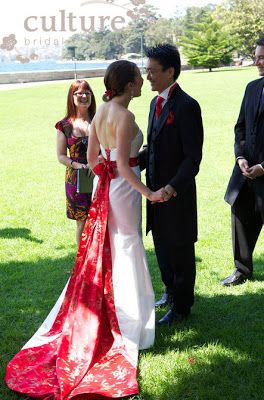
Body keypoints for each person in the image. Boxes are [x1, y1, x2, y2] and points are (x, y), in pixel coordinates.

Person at [5, 60, 165, 399]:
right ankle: (130, 324)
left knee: (114, 249)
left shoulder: (102, 112)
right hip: (123, 190)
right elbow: (123, 164)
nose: (142, 81)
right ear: (127, 85)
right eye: (138, 78)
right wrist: (149, 192)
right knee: (127, 248)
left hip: (104, 187)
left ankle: (121, 316)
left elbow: (94, 160)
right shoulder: (125, 117)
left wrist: (105, 175)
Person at [140, 44, 204, 326]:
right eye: (147, 70)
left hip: (176, 196)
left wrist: (171, 187)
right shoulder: (154, 103)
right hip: (153, 194)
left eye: (153, 71)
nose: (148, 76)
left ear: (170, 71)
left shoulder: (188, 106)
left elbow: (193, 158)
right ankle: (169, 291)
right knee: (162, 247)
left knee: (180, 251)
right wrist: (124, 165)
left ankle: (182, 307)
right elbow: (151, 147)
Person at [222, 38, 264, 286]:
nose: (257, 62)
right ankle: (242, 269)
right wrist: (240, 157)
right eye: (257, 56)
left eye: (261, 57)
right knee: (239, 212)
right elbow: (240, 127)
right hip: (245, 171)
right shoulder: (251, 87)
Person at [55, 79, 96, 246]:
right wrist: (79, 165)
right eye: (79, 93)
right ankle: (83, 262)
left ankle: (101, 257)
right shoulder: (64, 125)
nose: (84, 96)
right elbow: (60, 156)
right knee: (82, 220)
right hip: (77, 177)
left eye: (87, 92)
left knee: (102, 216)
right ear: (72, 97)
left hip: (101, 173)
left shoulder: (99, 119)